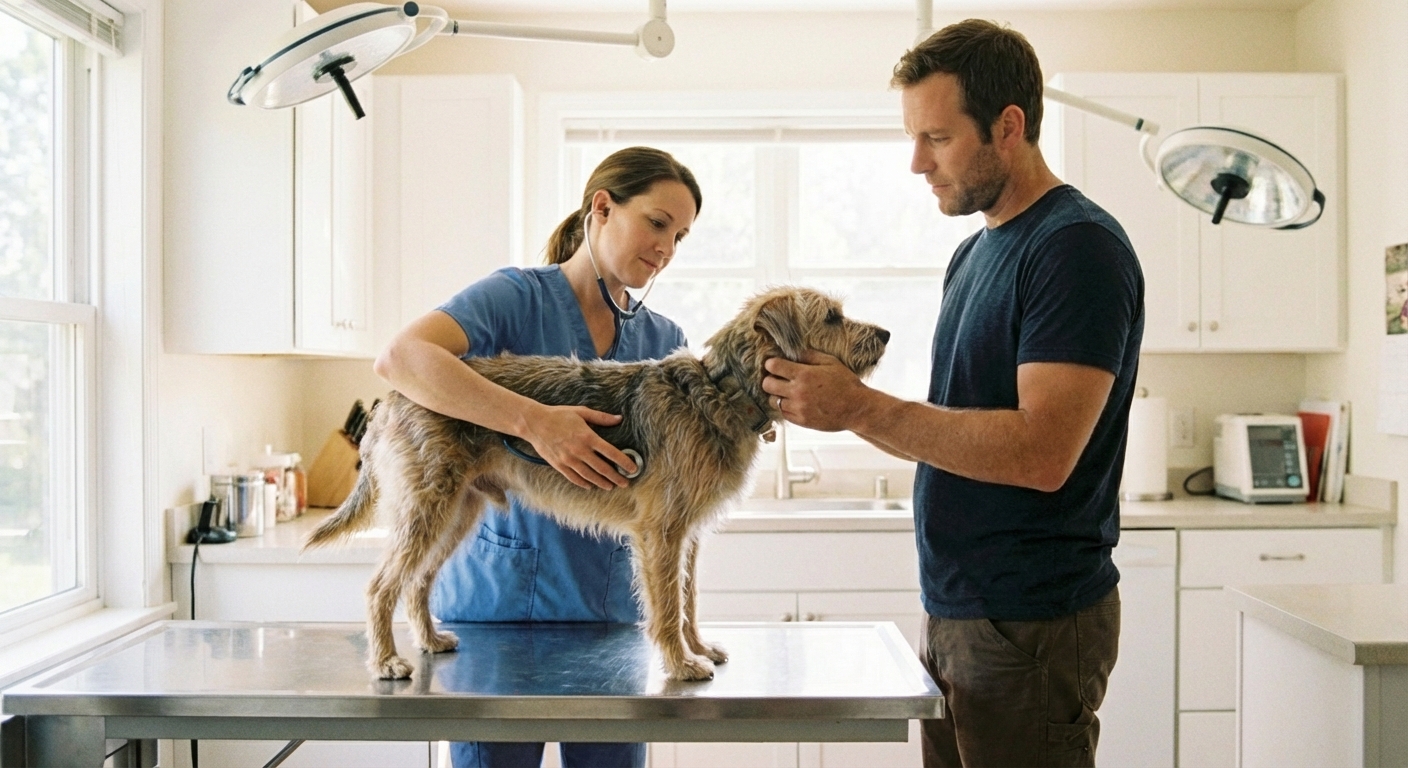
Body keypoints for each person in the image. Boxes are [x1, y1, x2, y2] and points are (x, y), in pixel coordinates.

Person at [761, 19, 1144, 768]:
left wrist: (860, 408)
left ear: (1009, 127)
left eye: (936, 138)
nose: (915, 162)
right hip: (967, 609)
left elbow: (1043, 453)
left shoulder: (1075, 247)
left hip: (1029, 618)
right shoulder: (975, 252)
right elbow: (967, 421)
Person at [373, 146, 701, 768]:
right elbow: (402, 359)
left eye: (680, 236)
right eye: (658, 223)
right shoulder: (514, 298)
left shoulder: (666, 341)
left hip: (612, 621)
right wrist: (534, 423)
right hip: (499, 620)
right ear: (601, 208)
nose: (667, 248)